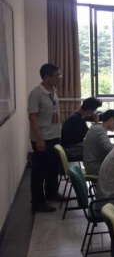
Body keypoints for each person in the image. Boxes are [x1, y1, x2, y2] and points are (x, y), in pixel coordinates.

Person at [28, 63, 64, 212]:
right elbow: (32, 117)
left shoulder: (53, 91)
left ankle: (52, 193)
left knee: (53, 168)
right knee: (39, 171)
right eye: (57, 76)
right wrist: (39, 139)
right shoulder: (36, 94)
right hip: (43, 138)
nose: (59, 78)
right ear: (46, 77)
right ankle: (38, 202)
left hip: (55, 135)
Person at [82, 109, 114, 176]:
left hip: (90, 165)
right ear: (111, 120)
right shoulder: (100, 131)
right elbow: (108, 147)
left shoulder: (96, 128)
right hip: (95, 167)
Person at [60, 97, 103, 162]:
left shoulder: (76, 115)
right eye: (94, 110)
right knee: (98, 150)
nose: (94, 112)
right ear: (90, 110)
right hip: (70, 150)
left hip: (69, 147)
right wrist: (96, 122)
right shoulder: (77, 119)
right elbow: (90, 135)